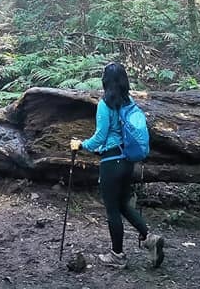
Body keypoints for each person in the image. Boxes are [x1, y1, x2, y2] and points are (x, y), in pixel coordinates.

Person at [70, 62, 165, 269]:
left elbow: (100, 137)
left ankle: (117, 255)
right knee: (123, 204)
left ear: (106, 81)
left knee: (112, 209)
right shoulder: (128, 101)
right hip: (128, 161)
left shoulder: (105, 104)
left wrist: (81, 144)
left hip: (111, 162)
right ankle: (149, 238)